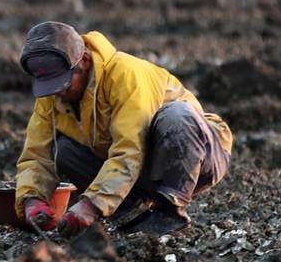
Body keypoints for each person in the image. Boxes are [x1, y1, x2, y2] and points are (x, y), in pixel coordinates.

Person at [13, 21, 232, 236]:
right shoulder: (51, 96)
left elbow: (130, 148)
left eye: (64, 82)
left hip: (201, 154)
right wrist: (32, 200)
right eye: (49, 85)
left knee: (177, 116)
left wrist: (91, 205)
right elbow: (36, 155)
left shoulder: (125, 74)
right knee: (65, 151)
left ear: (85, 61)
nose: (58, 92)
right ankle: (130, 214)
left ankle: (169, 211)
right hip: (142, 165)